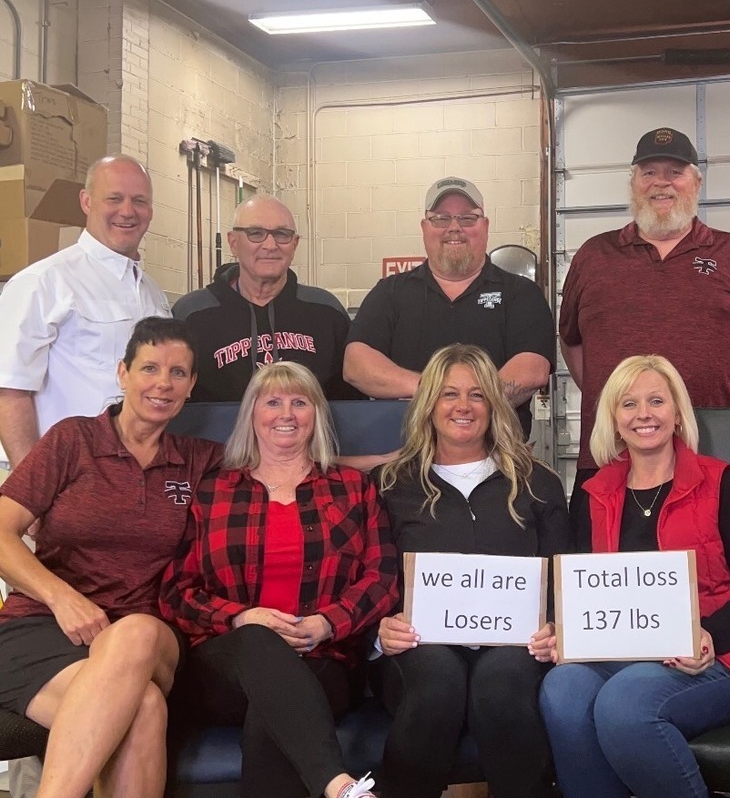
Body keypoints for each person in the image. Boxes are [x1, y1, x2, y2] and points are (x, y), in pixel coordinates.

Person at [538, 354, 730, 798]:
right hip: (622, 651)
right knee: (562, 689)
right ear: (614, 420)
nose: (644, 414)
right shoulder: (592, 494)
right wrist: (563, 631)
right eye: (629, 404)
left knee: (624, 702)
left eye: (656, 401)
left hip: (719, 655)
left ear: (677, 413)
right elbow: (579, 589)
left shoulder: (722, 483)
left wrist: (707, 636)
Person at [0, 317, 222, 798]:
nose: (163, 383)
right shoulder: (73, 440)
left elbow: (289, 460)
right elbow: (1, 532)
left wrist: (381, 461)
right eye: (149, 368)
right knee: (142, 708)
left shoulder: (200, 460)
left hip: (150, 635)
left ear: (191, 386)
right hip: (44, 627)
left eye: (178, 373)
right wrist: (62, 598)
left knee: (135, 633)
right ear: (123, 373)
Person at [159, 360, 397, 798]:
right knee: (258, 639)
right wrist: (239, 617)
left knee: (271, 716)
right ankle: (339, 785)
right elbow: (176, 592)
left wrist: (327, 623)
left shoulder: (353, 488)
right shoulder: (213, 491)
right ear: (252, 414)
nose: (286, 414)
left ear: (316, 414)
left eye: (299, 403)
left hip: (323, 657)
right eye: (272, 402)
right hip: (224, 667)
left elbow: (382, 577)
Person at [559, 128, 730, 548]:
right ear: (633, 183)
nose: (662, 183)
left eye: (675, 172)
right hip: (610, 464)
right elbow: (572, 341)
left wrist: (708, 395)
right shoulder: (593, 256)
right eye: (649, 172)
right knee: (601, 583)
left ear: (696, 182)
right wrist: (621, 399)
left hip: (711, 462)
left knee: (716, 580)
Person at [374, 343, 570, 798]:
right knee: (437, 686)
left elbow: (562, 577)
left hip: (517, 645)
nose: (463, 406)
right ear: (429, 404)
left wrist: (556, 628)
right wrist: (380, 629)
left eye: (477, 395)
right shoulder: (390, 484)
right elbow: (371, 578)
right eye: (449, 394)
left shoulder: (538, 483)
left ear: (494, 406)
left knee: (500, 687)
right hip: (417, 643)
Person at [344, 177, 555, 435]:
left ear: (485, 226)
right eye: (441, 218)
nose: (454, 228)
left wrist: (459, 405)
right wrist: (435, 392)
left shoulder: (520, 294)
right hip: (405, 452)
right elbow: (356, 365)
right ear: (424, 227)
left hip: (496, 453)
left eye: (467, 218)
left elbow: (533, 370)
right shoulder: (390, 293)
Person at [0, 154, 171, 468]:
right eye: (114, 199)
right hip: (64, 475)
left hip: (136, 472)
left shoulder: (153, 294)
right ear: (87, 201)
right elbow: (9, 392)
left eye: (139, 201)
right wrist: (33, 486)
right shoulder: (43, 282)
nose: (127, 211)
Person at [173, 194, 362, 402]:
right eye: (256, 233)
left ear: (295, 244)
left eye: (282, 234)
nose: (270, 245)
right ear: (233, 243)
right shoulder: (192, 314)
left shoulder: (327, 312)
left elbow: (353, 399)